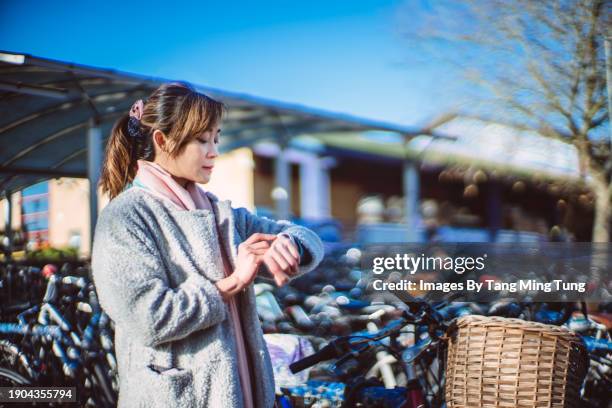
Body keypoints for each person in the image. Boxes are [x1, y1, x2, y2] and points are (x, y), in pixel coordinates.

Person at [91, 82, 324, 408]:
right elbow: (149, 317)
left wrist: (289, 243)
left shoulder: (222, 213)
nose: (214, 151)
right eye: (201, 140)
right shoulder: (126, 216)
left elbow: (303, 236)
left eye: (216, 138)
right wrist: (234, 282)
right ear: (162, 140)